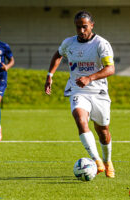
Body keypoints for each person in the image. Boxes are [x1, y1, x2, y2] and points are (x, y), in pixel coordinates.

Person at [45, 11, 115, 178]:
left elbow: (110, 69)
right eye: (78, 27)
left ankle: (107, 160)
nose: (81, 30)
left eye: (84, 27)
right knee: (80, 119)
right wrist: (50, 76)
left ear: (92, 25)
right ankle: (96, 160)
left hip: (98, 91)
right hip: (78, 90)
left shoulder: (101, 44)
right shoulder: (69, 43)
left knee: (103, 131)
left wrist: (90, 78)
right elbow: (58, 55)